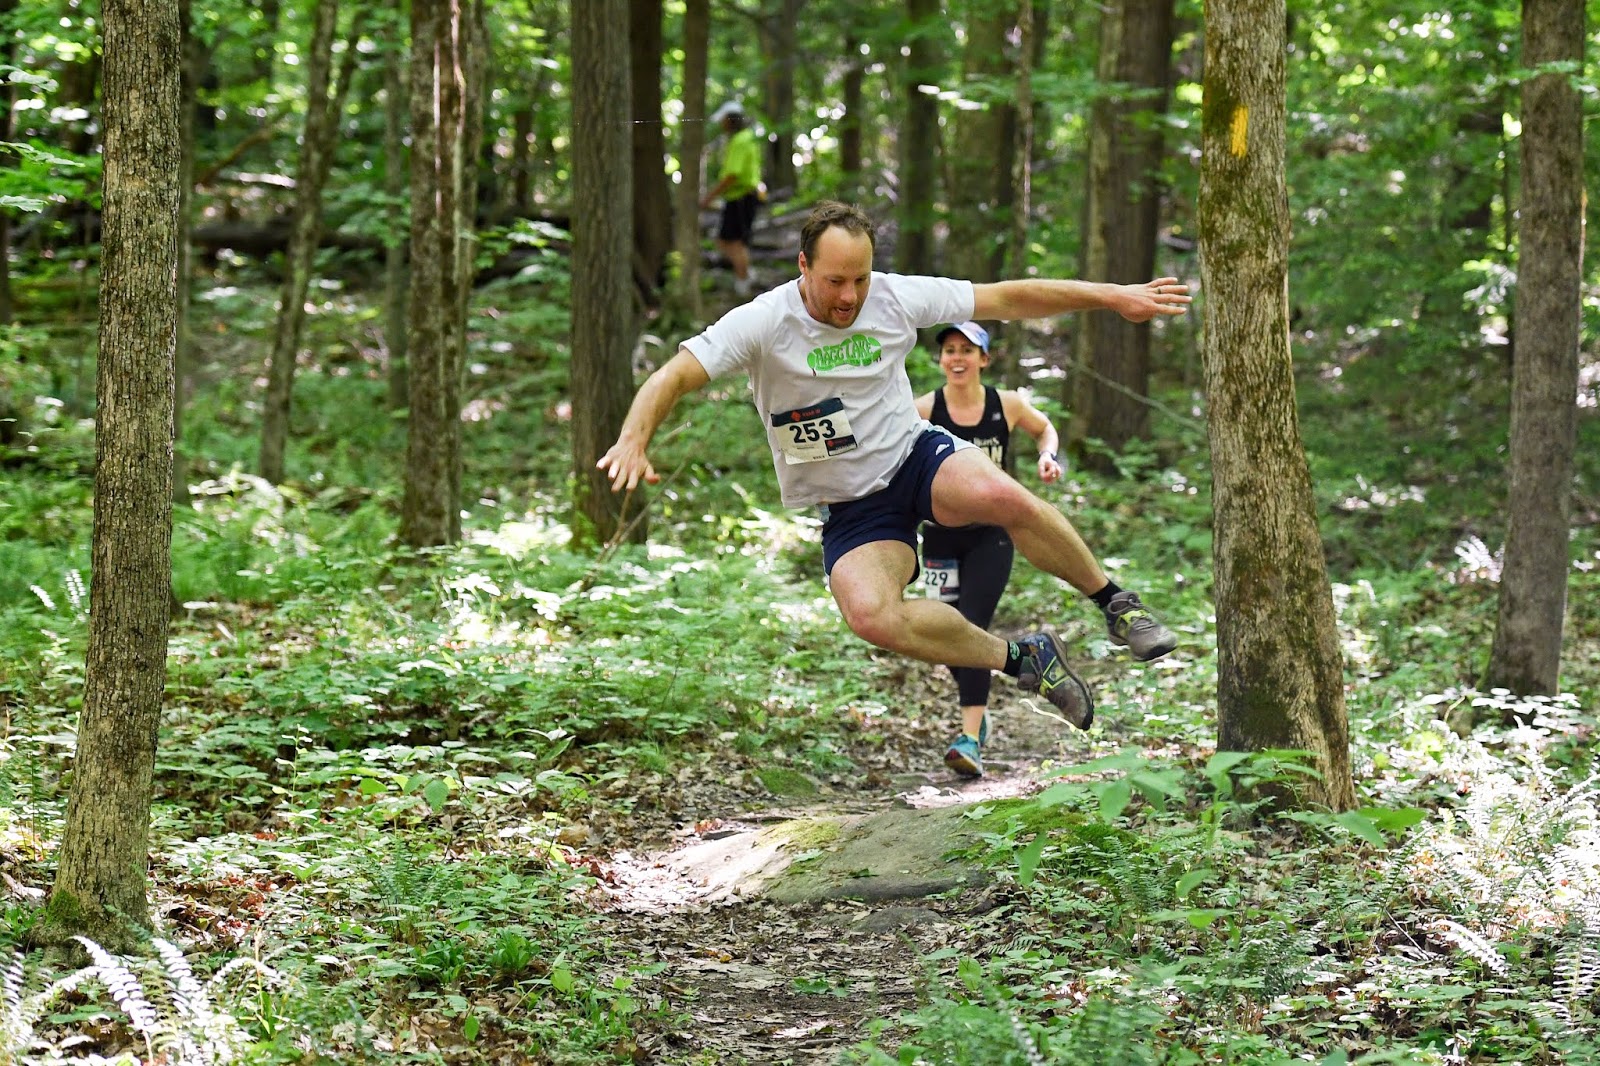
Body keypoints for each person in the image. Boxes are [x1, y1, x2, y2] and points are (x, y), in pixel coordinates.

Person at [597, 200, 1189, 741]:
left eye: (860, 278)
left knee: (1004, 496)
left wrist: (1112, 296)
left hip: (914, 458)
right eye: (835, 281)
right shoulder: (763, 321)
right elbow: (674, 374)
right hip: (851, 504)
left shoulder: (895, 296)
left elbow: (1008, 298)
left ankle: (1117, 604)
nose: (849, 296)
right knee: (872, 617)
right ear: (803, 265)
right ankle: (1023, 659)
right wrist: (633, 439)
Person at [914, 321, 1170, 777]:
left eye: (967, 351)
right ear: (941, 360)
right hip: (938, 537)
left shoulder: (1006, 404)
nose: (956, 358)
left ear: (983, 359)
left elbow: (1044, 428)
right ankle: (984, 712)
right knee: (948, 638)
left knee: (970, 625)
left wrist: (1047, 455)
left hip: (990, 534)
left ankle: (969, 737)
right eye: (949, 350)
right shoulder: (924, 409)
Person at [700, 100, 763, 298]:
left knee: (733, 242)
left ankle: (743, 284)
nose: (722, 124)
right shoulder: (745, 138)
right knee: (728, 241)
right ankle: (746, 275)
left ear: (731, 120)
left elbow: (732, 175)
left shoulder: (741, 141)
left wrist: (710, 197)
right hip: (740, 197)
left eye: (724, 120)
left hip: (741, 197)